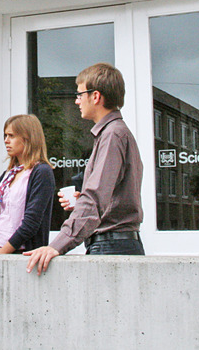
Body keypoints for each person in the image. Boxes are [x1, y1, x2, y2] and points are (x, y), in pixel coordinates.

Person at [25, 63, 144, 274]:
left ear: (96, 96)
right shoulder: (114, 133)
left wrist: (56, 245)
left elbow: (95, 199)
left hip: (112, 247)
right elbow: (109, 198)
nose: (76, 101)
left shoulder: (113, 135)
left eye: (80, 94)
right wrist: (81, 203)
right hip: (114, 245)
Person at [0, 114, 56, 254]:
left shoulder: (41, 172)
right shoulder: (9, 173)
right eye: (5, 136)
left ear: (27, 138)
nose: (6, 141)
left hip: (19, 254)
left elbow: (30, 224)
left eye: (11, 136)